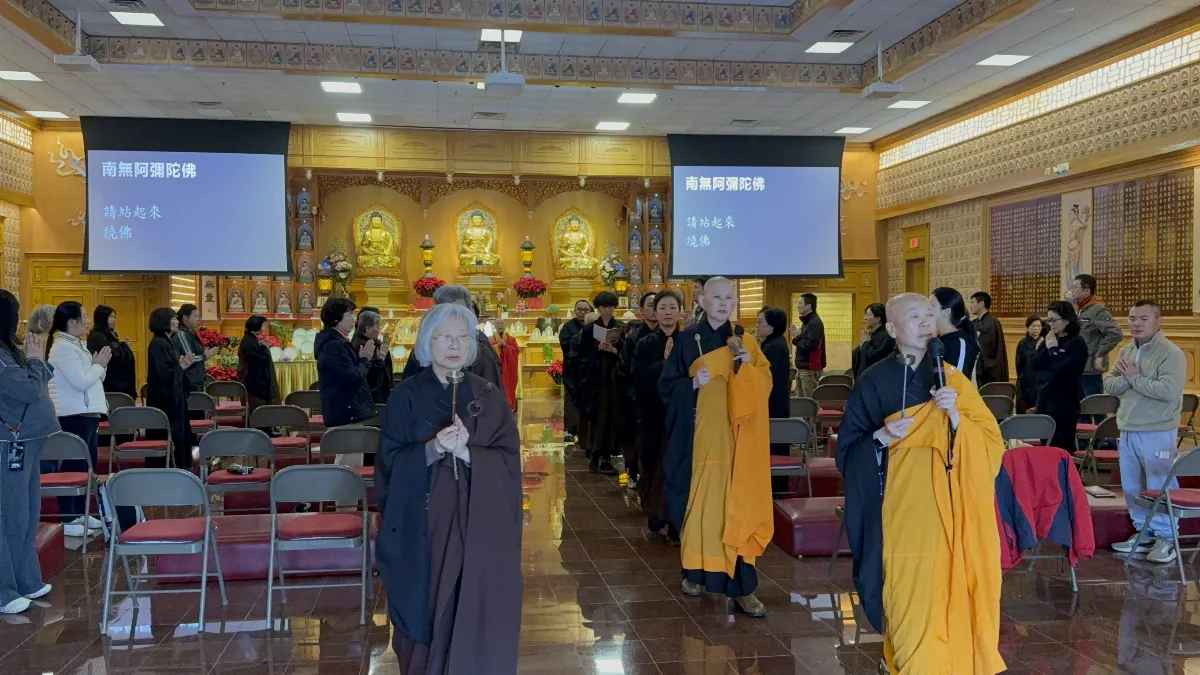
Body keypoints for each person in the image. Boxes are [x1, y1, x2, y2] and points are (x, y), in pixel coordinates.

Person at [836, 293, 1006, 675]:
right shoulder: (873, 380)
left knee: (950, 588)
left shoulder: (953, 378)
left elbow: (991, 444)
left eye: (930, 315)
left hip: (950, 510)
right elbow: (848, 452)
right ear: (893, 329)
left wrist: (957, 418)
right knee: (910, 595)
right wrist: (881, 437)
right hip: (901, 513)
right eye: (915, 317)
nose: (926, 323)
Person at [376, 302, 522, 675]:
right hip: (424, 527)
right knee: (426, 609)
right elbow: (389, 462)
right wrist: (434, 448)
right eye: (444, 337)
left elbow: (507, 460)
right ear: (427, 342)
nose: (454, 345)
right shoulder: (405, 396)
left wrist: (469, 453)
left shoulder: (488, 396)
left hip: (477, 526)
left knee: (475, 604)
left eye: (462, 337)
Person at [659, 277, 772, 617]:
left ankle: (744, 588)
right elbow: (666, 387)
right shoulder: (686, 341)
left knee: (736, 506)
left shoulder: (745, 341)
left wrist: (748, 368)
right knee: (700, 505)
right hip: (700, 439)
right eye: (717, 298)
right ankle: (694, 573)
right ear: (702, 301)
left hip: (737, 437)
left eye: (729, 298)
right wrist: (692, 383)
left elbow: (766, 382)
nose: (724, 303)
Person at [1105, 300, 1186, 564]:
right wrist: (1131, 380)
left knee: (1159, 484)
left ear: (1158, 321)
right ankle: (1144, 534)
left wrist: (1134, 380)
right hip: (1128, 426)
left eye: (1143, 319)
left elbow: (1168, 391)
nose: (1136, 324)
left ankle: (1166, 538)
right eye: (1131, 319)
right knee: (1132, 485)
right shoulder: (1127, 349)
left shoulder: (1170, 353)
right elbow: (1109, 383)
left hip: (1157, 430)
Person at [0, 291, 57, 614]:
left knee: (28, 513)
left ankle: (26, 579)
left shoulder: (8, 351)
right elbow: (26, 389)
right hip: (9, 443)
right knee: (10, 516)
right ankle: (4, 590)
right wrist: (35, 362)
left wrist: (32, 362)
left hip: (28, 440)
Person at [46, 301, 111, 538]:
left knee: (87, 466)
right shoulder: (63, 347)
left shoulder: (77, 345)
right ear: (71, 322)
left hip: (87, 413)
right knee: (73, 467)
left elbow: (95, 377)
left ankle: (82, 512)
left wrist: (98, 366)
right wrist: (98, 365)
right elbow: (82, 381)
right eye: (84, 316)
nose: (88, 320)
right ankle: (68, 517)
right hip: (73, 414)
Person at [632, 290, 681, 541]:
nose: (668, 312)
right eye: (663, 308)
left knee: (675, 467)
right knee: (652, 465)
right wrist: (664, 362)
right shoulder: (645, 343)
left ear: (680, 311)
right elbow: (638, 380)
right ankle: (655, 513)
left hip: (679, 415)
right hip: (652, 414)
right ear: (654, 312)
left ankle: (675, 522)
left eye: (672, 307)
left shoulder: (688, 341)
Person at [400, 285, 501, 388]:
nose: (452, 316)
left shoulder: (481, 350)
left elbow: (490, 394)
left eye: (458, 311)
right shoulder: (425, 346)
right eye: (445, 310)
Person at [572, 291, 625, 475]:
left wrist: (614, 350)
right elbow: (579, 356)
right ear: (598, 308)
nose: (607, 310)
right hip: (594, 381)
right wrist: (597, 348)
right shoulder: (589, 329)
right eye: (603, 307)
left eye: (610, 306)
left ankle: (605, 457)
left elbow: (627, 355)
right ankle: (595, 455)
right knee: (596, 417)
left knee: (611, 417)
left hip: (613, 379)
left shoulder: (620, 327)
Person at [1033, 301, 1089, 452]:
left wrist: (1053, 351)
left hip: (1064, 404)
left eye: (1054, 320)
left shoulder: (1076, 343)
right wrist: (1046, 349)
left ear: (1067, 319)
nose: (1050, 324)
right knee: (1046, 447)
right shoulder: (1050, 339)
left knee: (1061, 448)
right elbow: (1036, 366)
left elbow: (1065, 371)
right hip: (1045, 399)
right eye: (1048, 320)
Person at [314, 297, 377, 428]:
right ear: (337, 319)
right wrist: (365, 360)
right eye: (350, 315)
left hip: (349, 411)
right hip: (345, 413)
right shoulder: (333, 346)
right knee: (350, 447)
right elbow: (352, 377)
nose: (354, 319)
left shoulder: (338, 341)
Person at [146, 308, 196, 469]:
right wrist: (180, 366)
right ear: (163, 322)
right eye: (173, 319)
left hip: (174, 399)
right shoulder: (158, 344)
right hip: (165, 401)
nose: (176, 322)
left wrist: (182, 366)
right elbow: (163, 375)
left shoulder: (167, 341)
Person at [619, 292, 657, 485]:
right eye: (650, 304)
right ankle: (632, 471)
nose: (655, 309)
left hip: (660, 396)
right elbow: (625, 366)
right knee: (635, 437)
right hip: (637, 396)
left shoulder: (671, 335)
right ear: (642, 310)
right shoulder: (635, 336)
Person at [1072, 274, 1123, 406]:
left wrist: (1100, 353)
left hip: (1090, 368)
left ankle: (1102, 427)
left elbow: (1115, 333)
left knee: (1096, 407)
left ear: (1086, 290)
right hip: (1077, 367)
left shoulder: (1098, 310)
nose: (1072, 290)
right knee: (1079, 409)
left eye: (1075, 287)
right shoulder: (1078, 309)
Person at [757, 306, 792, 463]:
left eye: (760, 322)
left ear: (772, 325)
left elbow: (763, 376)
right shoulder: (771, 343)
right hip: (772, 402)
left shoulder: (775, 347)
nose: (757, 325)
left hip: (774, 404)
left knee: (775, 452)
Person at [87, 305, 137, 401]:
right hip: (108, 386)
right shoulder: (97, 337)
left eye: (114, 317)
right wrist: (125, 347)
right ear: (102, 318)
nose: (114, 320)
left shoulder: (109, 335)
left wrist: (124, 347)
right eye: (110, 317)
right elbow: (113, 358)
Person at [559, 300, 590, 445]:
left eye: (586, 310)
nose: (583, 312)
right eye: (580, 310)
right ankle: (570, 430)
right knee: (571, 400)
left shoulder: (595, 327)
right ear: (575, 311)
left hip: (590, 370)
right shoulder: (568, 327)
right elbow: (566, 346)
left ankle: (585, 430)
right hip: (573, 369)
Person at [931, 287, 980, 378]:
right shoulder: (938, 340)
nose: (927, 310)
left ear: (946, 312)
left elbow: (957, 382)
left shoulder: (959, 344)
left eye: (931, 306)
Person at [237, 314, 278, 420]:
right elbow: (259, 359)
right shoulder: (248, 341)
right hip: (254, 382)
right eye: (263, 325)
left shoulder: (252, 339)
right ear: (256, 326)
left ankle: (267, 427)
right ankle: (261, 429)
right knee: (257, 409)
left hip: (258, 380)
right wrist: (265, 347)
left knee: (263, 408)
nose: (264, 328)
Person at [351, 310, 394, 405]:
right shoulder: (364, 345)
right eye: (378, 327)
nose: (380, 330)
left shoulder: (372, 341)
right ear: (367, 328)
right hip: (372, 395)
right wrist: (381, 359)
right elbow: (371, 372)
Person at [175, 304, 218, 396]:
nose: (198, 319)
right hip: (189, 380)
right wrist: (205, 355)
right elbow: (190, 359)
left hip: (197, 378)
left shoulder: (192, 332)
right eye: (195, 316)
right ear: (185, 317)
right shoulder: (181, 333)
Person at [790, 293, 824, 398]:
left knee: (810, 405)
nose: (797, 305)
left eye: (800, 303)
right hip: (803, 368)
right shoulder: (807, 322)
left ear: (808, 306)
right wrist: (797, 337)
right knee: (803, 406)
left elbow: (810, 345)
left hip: (809, 369)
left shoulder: (815, 323)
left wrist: (797, 336)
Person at [971, 291, 1009, 385]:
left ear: (981, 303)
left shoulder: (992, 322)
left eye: (973, 302)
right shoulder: (974, 323)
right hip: (977, 367)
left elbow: (989, 348)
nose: (970, 306)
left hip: (988, 370)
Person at [852, 303, 894, 379]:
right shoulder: (872, 334)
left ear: (878, 319)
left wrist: (865, 344)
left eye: (868, 315)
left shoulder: (886, 336)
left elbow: (876, 358)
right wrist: (863, 344)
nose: (865, 318)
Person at [1015, 315, 1043, 413]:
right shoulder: (1023, 343)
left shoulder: (1043, 342)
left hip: (1039, 386)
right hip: (1025, 385)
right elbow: (1024, 365)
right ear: (1028, 328)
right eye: (1034, 326)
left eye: (1039, 326)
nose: (1036, 328)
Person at [492, 318, 519, 413]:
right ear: (494, 325)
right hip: (495, 369)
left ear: (505, 325)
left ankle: (509, 407)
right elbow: (486, 352)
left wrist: (506, 347)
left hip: (508, 369)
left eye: (502, 323)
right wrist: (496, 346)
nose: (500, 325)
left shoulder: (511, 339)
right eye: (498, 323)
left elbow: (516, 352)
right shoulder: (490, 338)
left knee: (508, 387)